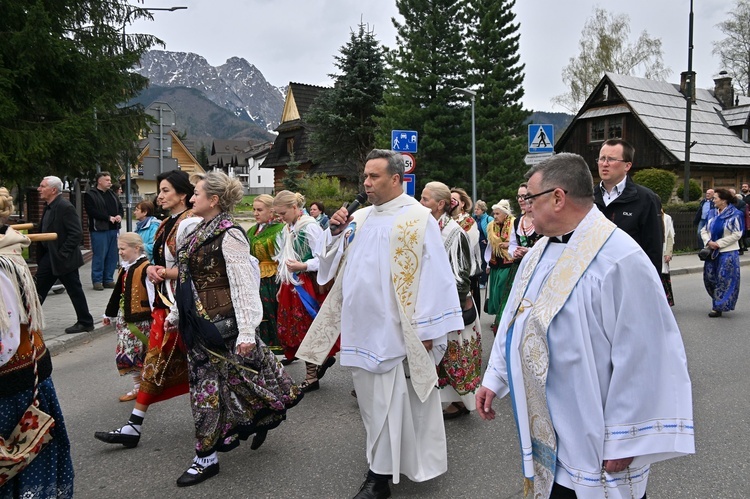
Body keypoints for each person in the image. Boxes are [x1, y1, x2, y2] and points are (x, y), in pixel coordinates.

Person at [475, 153, 694, 499]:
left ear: (558, 198)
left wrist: (625, 436)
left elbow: (646, 353)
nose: (525, 209)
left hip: (595, 429)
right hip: (549, 420)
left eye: (529, 199)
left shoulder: (620, 258)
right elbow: (516, 320)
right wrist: (495, 377)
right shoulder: (537, 252)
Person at [297, 149, 464, 499]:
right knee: (373, 406)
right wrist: (334, 232)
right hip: (360, 328)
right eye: (365, 177)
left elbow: (437, 277)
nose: (366, 183)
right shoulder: (359, 217)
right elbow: (331, 266)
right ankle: (381, 460)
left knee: (390, 404)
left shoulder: (418, 218)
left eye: (374, 177)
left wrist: (430, 332)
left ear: (395, 179)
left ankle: (379, 478)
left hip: (395, 329)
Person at [172, 171, 303, 486]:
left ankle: (206, 457)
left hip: (223, 328)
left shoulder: (229, 234)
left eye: (197, 194)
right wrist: (178, 312)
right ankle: (257, 419)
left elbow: (245, 286)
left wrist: (247, 332)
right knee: (214, 387)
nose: (191, 199)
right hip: (198, 326)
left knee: (216, 388)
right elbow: (188, 279)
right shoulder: (195, 230)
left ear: (213, 200)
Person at [95, 170, 199, 448]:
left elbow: (195, 268)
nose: (160, 196)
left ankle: (254, 407)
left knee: (211, 364)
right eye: (160, 190)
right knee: (156, 360)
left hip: (190, 304)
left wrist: (164, 272)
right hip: (167, 303)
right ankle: (133, 425)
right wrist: (157, 269)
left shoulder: (191, 222)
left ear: (183, 195)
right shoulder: (168, 223)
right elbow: (166, 263)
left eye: (166, 191)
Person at [0, 188, 75, 498]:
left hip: (13, 381)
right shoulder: (9, 252)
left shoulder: (3, 263)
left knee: (23, 455)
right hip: (24, 373)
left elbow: (5, 338)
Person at [421, 182, 481, 420]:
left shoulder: (454, 232)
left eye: (425, 199)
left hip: (452, 304)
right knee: (442, 356)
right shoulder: (427, 227)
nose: (421, 203)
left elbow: (461, 275)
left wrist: (452, 311)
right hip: (433, 302)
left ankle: (463, 401)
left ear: (441, 204)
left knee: (456, 354)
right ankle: (446, 399)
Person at [273, 191, 337, 391]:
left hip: (307, 285)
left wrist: (303, 266)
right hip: (291, 284)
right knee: (294, 328)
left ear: (294, 208)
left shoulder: (309, 227)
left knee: (306, 328)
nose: (280, 218)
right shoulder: (288, 228)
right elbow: (284, 258)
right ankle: (322, 359)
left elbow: (323, 258)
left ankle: (311, 376)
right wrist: (281, 284)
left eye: (283, 213)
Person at [35, 176, 95, 334]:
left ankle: (85, 322)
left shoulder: (64, 206)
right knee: (37, 289)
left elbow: (76, 234)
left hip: (62, 258)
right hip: (50, 256)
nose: (39, 189)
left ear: (53, 190)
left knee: (73, 289)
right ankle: (28, 322)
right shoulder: (49, 206)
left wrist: (62, 253)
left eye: (42, 186)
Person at [594, 138, 663, 274]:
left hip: (629, 277)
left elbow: (653, 248)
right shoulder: (587, 198)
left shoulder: (645, 199)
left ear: (627, 166)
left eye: (611, 159)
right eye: (602, 159)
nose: (604, 164)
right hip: (594, 279)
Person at [103, 233, 155, 402]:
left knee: (131, 354)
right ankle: (143, 387)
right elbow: (117, 292)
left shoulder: (145, 268)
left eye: (123, 248)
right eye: (119, 248)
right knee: (134, 355)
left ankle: (141, 388)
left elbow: (153, 296)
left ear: (136, 248)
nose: (120, 252)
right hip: (125, 318)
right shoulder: (125, 267)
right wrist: (109, 314)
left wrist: (157, 319)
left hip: (140, 320)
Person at [246, 194, 285, 354]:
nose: (256, 213)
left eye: (260, 210)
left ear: (271, 211)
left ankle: (278, 346)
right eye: (254, 209)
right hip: (255, 276)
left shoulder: (279, 230)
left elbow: (282, 255)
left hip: (271, 277)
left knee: (271, 311)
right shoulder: (252, 231)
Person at [701, 188, 743, 318]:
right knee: (710, 278)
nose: (713, 200)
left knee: (724, 279)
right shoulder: (712, 213)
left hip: (727, 252)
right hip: (712, 251)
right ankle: (717, 301)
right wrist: (708, 241)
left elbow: (737, 234)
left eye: (715, 198)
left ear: (723, 200)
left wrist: (719, 244)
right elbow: (704, 229)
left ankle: (718, 306)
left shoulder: (735, 214)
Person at [84, 171, 123, 290]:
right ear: (99, 181)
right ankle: (97, 280)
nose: (110, 182)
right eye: (107, 180)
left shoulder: (112, 194)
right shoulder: (90, 194)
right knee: (100, 255)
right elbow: (91, 211)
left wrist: (119, 216)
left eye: (110, 180)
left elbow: (120, 208)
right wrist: (107, 218)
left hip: (113, 229)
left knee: (112, 256)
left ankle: (108, 279)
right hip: (99, 229)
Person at [450, 187, 482, 317]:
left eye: (454, 200)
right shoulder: (444, 220)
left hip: (467, 272)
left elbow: (467, 246)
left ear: (462, 203)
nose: (451, 202)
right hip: (449, 273)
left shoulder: (469, 222)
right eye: (449, 200)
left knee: (466, 313)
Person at [484, 199, 515, 334]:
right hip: (495, 263)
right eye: (494, 213)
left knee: (503, 291)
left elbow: (516, 242)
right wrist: (487, 263)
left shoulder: (513, 224)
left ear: (505, 214)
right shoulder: (491, 226)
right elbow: (490, 246)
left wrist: (509, 245)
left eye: (497, 214)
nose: (495, 216)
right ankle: (498, 318)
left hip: (508, 262)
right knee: (495, 294)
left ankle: (502, 319)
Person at [472, 200, 491, 288]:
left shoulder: (488, 219)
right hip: (476, 244)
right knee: (477, 262)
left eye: (478, 209)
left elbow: (493, 232)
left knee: (484, 263)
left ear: (483, 210)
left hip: (484, 245)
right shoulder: (474, 219)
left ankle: (483, 282)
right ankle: (478, 280)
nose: (476, 211)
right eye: (475, 209)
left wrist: (488, 241)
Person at [662, 209, 675, 306]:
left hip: (663, 250)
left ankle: (665, 302)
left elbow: (670, 236)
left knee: (662, 277)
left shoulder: (666, 218)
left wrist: (668, 253)